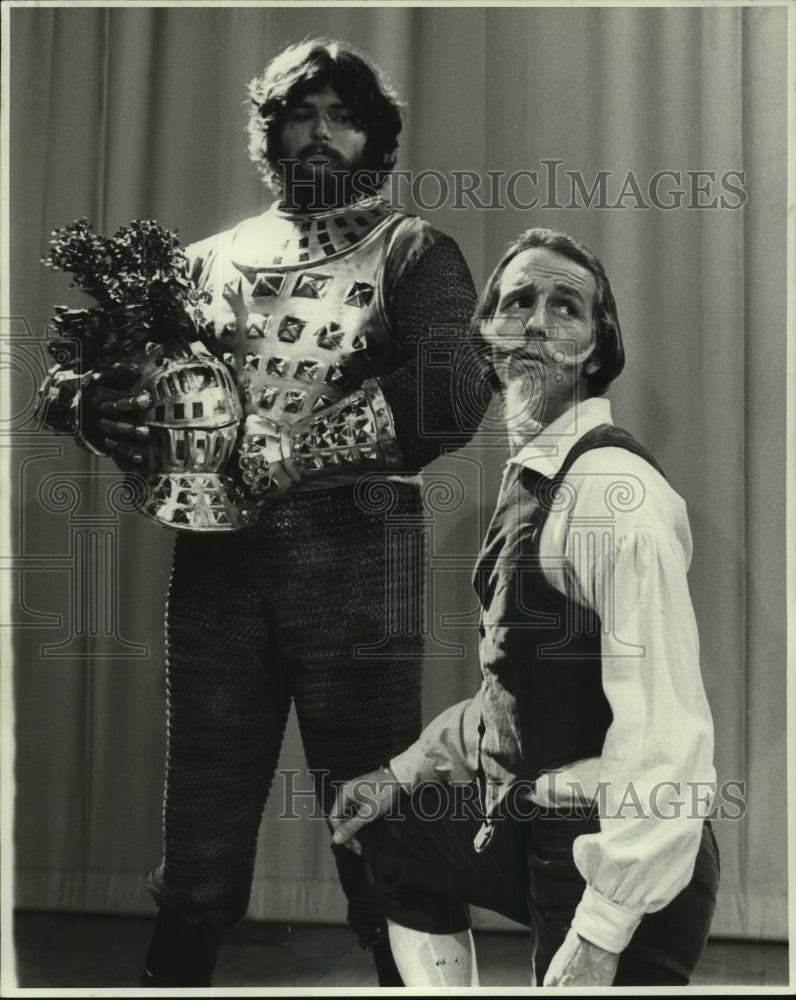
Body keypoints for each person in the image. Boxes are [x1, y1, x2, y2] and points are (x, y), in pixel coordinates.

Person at [38, 38, 486, 987]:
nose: (320, 133)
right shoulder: (206, 263)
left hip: (360, 556)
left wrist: (300, 447)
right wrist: (89, 405)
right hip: (218, 563)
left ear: (375, 137)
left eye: (341, 115)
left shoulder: (412, 252)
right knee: (201, 810)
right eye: (301, 114)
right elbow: (75, 377)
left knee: (378, 808)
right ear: (271, 131)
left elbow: (451, 387)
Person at [330, 227, 720, 987]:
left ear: (597, 348)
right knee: (396, 824)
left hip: (620, 852)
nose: (537, 319)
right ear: (485, 338)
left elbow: (667, 733)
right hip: (536, 826)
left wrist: (604, 931)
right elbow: (515, 690)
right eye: (518, 302)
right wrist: (403, 769)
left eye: (565, 305)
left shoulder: (614, 493)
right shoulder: (533, 479)